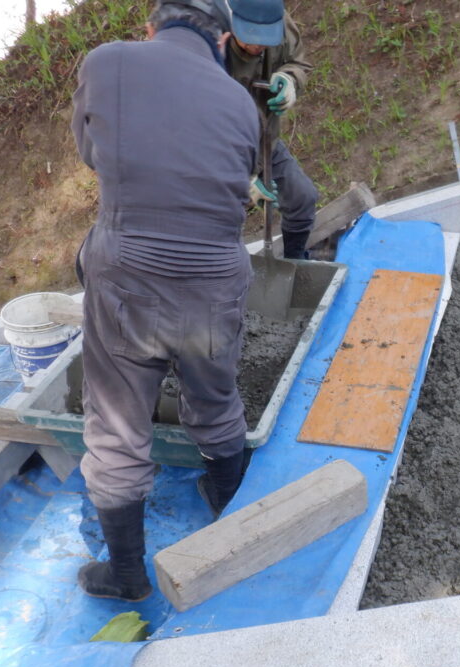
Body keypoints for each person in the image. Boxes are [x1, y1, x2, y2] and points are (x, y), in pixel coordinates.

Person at [71, 0, 261, 601]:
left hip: (129, 278)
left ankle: (127, 574)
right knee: (215, 397)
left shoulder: (108, 62)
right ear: (222, 41)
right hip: (215, 281)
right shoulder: (241, 101)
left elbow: (90, 152)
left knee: (117, 422)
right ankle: (233, 514)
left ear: (151, 28)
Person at [225, 0, 318, 260]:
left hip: (265, 140)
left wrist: (290, 79)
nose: (258, 46)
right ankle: (223, 272)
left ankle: (294, 263)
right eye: (250, 38)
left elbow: (298, 63)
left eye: (265, 39)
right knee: (223, 219)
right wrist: (237, 176)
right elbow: (194, 122)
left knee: (302, 198)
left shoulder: (280, 23)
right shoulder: (208, 44)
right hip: (218, 151)